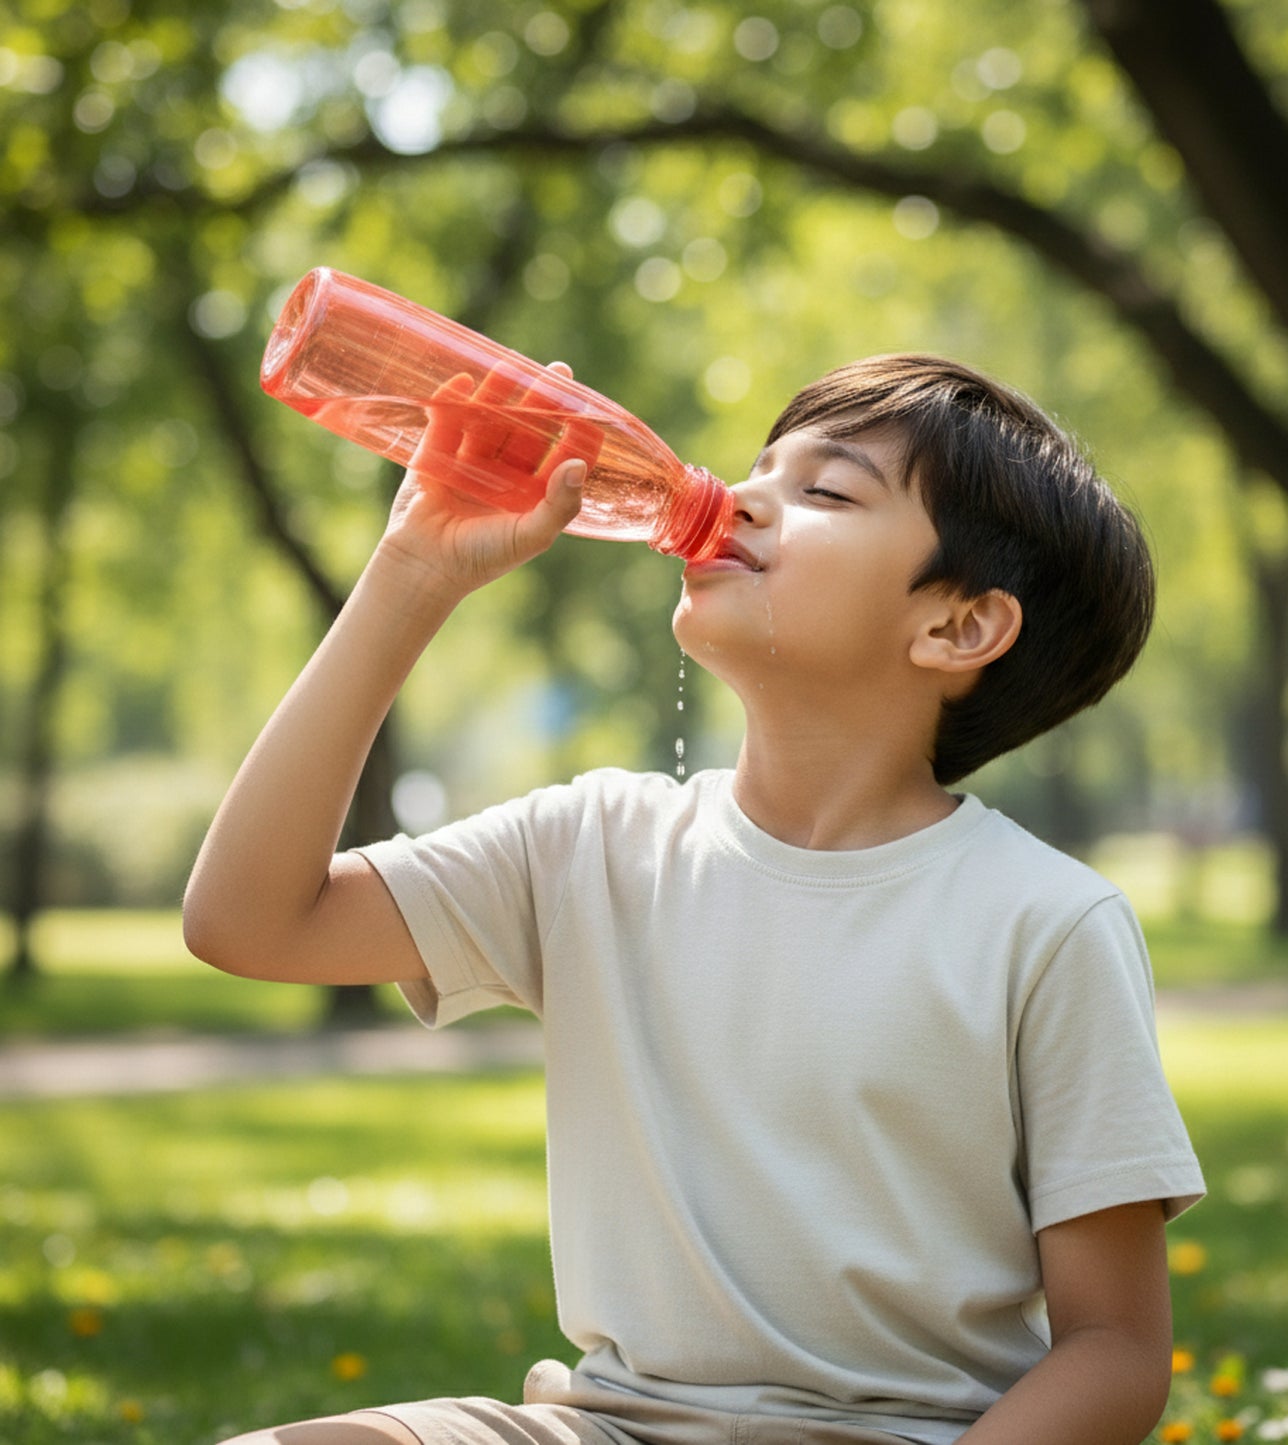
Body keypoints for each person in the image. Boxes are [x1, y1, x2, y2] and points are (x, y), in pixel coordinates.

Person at [184, 353, 1205, 1445]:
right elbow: (248, 920)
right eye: (758, 466)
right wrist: (411, 573)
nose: (740, 495)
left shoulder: (1044, 923)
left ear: (957, 628)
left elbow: (1113, 1347)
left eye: (825, 490)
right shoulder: (592, 844)